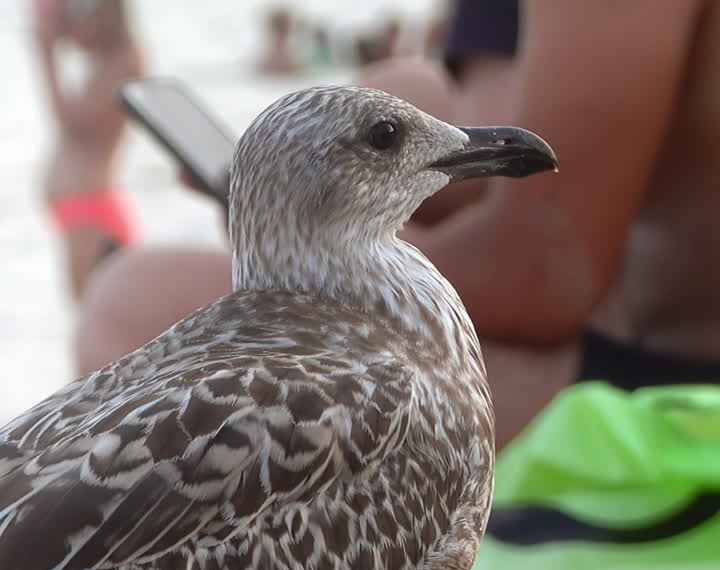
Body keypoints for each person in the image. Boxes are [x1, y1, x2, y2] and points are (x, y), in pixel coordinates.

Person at [71, 0, 720, 447]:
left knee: (132, 304)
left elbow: (544, 277)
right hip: (642, 339)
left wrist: (300, 238)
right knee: (404, 89)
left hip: (683, 405)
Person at [32, 0, 143, 301]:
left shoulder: (125, 58)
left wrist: (45, 55)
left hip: (92, 211)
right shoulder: (104, 63)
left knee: (92, 317)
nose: (70, 22)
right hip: (83, 209)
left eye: (77, 11)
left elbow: (76, 125)